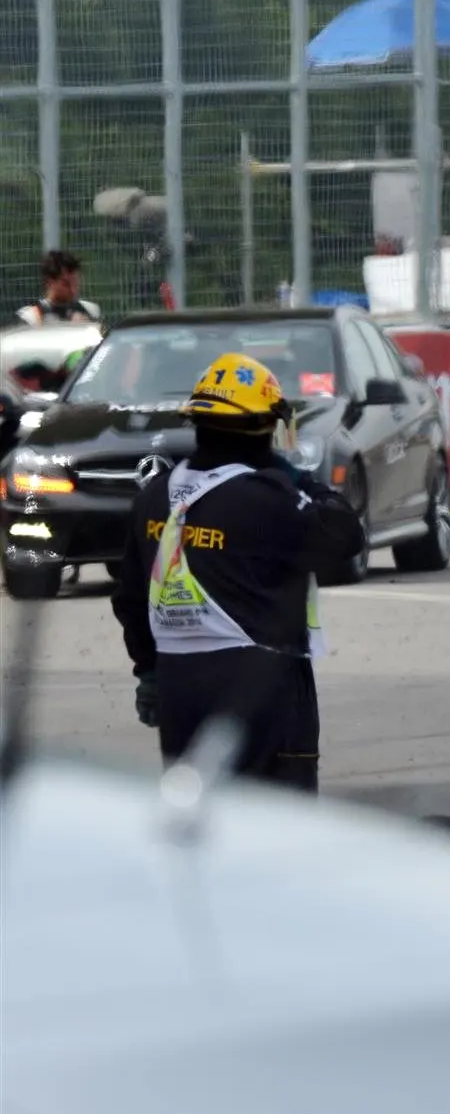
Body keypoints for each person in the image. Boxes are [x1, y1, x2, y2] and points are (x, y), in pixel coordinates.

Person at [110, 352, 366, 791]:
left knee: (200, 818)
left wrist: (148, 671)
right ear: (265, 428)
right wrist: (297, 477)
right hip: (260, 684)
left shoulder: (155, 497)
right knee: (275, 822)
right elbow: (344, 535)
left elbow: (131, 598)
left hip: (178, 685)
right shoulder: (270, 498)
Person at [15, 250, 101, 326]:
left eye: (75, 282)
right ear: (49, 282)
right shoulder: (31, 316)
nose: (73, 289)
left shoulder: (90, 311)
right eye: (66, 284)